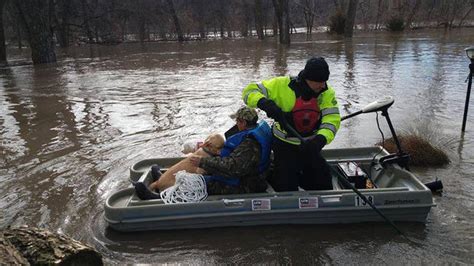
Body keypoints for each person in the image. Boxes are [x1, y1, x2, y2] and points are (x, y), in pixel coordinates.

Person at [242, 57, 341, 192]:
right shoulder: (281, 85)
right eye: (319, 82)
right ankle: (275, 175)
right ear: (308, 79)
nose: (323, 86)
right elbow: (249, 91)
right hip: (283, 145)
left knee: (323, 184)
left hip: (309, 145)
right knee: (286, 188)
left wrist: (320, 139)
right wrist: (264, 103)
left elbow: (332, 119)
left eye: (325, 81)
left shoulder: (326, 93)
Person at [134, 106, 272, 200]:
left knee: (194, 182)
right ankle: (164, 179)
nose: (236, 124)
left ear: (243, 122)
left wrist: (203, 162)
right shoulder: (250, 134)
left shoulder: (250, 144)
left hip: (244, 184)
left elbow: (233, 168)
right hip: (243, 175)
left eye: (237, 121)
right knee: (197, 168)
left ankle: (161, 197)